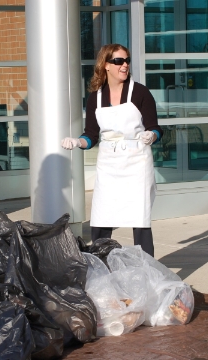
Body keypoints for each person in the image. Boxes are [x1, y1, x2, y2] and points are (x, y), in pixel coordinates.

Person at [61, 44, 162, 257]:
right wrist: (78, 142)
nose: (124, 65)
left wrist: (151, 135)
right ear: (106, 65)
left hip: (137, 162)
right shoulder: (95, 98)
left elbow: (156, 128)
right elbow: (91, 135)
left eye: (127, 61)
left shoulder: (140, 92)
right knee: (101, 218)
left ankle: (148, 272)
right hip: (109, 164)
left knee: (140, 220)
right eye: (118, 61)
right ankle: (101, 268)